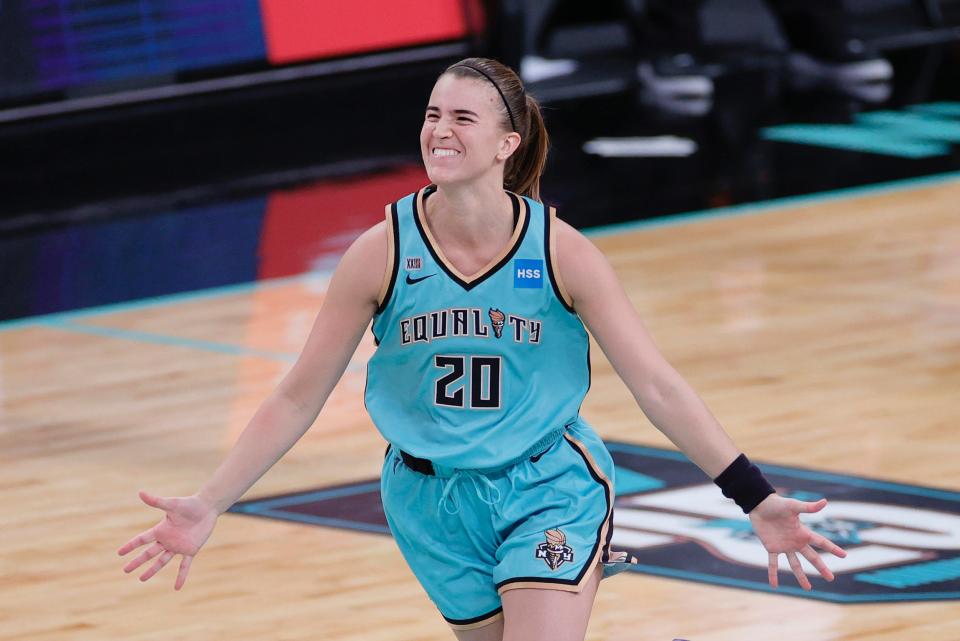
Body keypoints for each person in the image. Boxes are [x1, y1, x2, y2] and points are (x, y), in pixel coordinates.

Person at [118, 57, 847, 641]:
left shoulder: (562, 251)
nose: (440, 129)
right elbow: (297, 394)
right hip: (427, 499)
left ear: (508, 143)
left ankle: (579, 558)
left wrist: (753, 494)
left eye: (462, 117)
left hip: (546, 487)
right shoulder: (380, 253)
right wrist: (210, 502)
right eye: (434, 114)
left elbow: (656, 385)